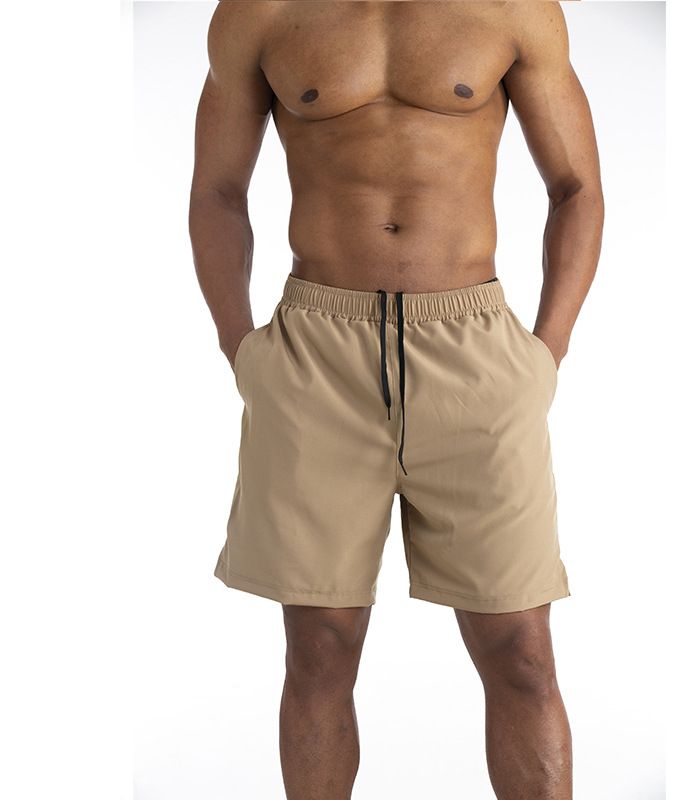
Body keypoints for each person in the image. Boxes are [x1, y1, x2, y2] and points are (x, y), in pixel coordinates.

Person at [189, 1, 603, 798]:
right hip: (317, 354)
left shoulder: (512, 9)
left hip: (473, 348)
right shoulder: (261, 11)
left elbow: (576, 185)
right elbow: (217, 189)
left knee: (521, 650)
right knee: (319, 647)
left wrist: (545, 351)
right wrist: (240, 346)